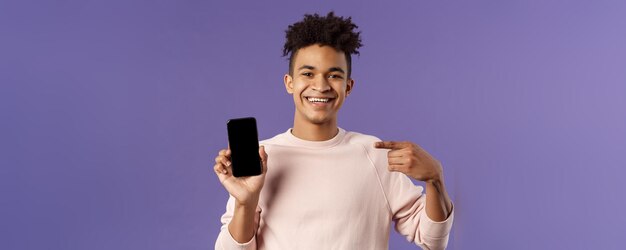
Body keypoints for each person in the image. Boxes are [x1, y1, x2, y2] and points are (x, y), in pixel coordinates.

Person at [213, 12, 454, 250]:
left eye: (334, 75)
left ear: (348, 86)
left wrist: (436, 179)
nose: (320, 86)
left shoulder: (374, 155)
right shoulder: (262, 158)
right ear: (289, 83)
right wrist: (246, 202)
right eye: (308, 73)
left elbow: (432, 240)